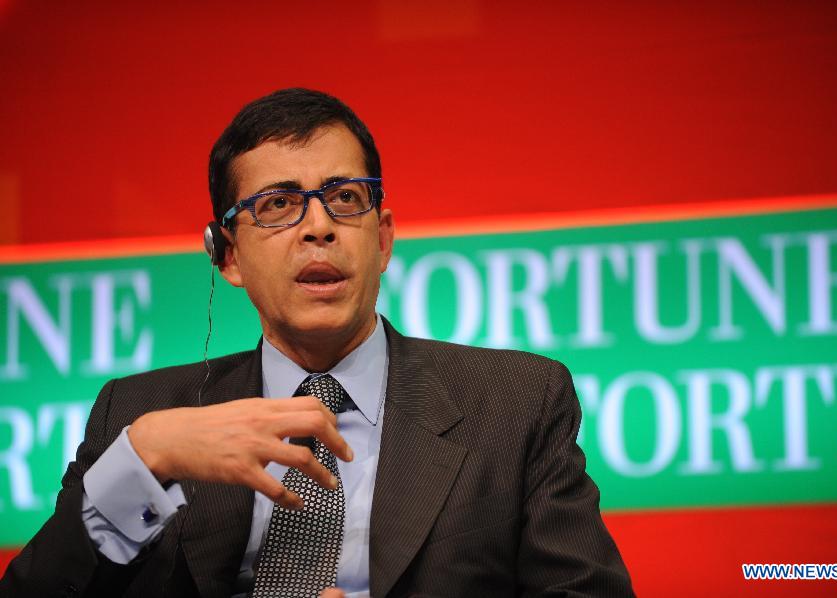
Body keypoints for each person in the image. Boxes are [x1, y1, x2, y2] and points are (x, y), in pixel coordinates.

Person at [0, 89, 634, 597]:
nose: (320, 227)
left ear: (382, 240)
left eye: (346, 199)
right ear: (227, 256)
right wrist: (144, 458)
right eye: (278, 205)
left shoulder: (516, 403)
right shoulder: (140, 416)